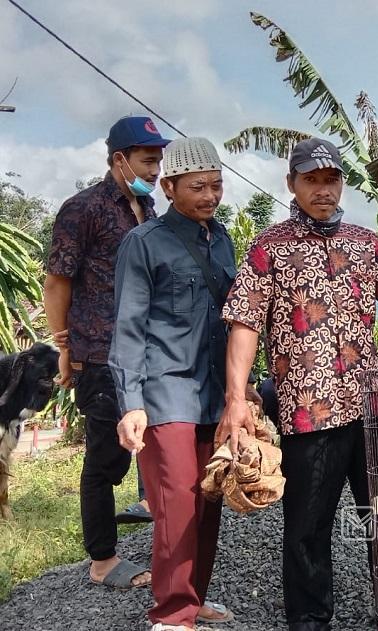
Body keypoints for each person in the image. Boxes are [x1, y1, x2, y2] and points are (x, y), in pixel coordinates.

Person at [217, 138, 378, 631]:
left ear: (341, 185)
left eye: (330, 180)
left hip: (372, 403)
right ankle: (310, 618)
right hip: (309, 409)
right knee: (308, 522)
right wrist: (236, 397)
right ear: (292, 184)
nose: (323, 189)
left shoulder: (365, 242)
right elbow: (244, 322)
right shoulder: (270, 247)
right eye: (311, 180)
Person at [112, 137, 256, 630]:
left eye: (217, 186)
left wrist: (245, 387)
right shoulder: (143, 243)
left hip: (215, 396)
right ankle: (171, 615)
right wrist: (131, 404)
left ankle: (192, 600)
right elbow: (128, 327)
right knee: (175, 504)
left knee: (209, 498)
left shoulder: (224, 242)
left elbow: (236, 322)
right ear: (170, 187)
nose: (210, 196)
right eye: (198, 187)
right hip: (165, 392)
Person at [43, 116, 169, 590]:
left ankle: (162, 539)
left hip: (149, 354)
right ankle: (102, 560)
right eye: (147, 159)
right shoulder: (84, 209)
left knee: (152, 446)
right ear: (119, 159)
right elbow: (57, 282)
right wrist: (64, 349)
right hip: (100, 353)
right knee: (104, 460)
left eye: (157, 159)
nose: (155, 168)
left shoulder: (149, 210)